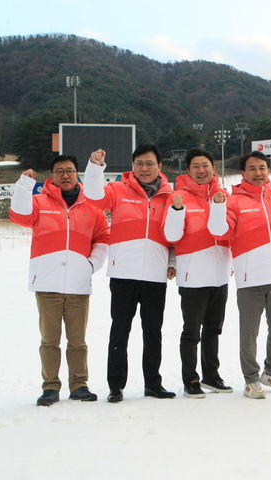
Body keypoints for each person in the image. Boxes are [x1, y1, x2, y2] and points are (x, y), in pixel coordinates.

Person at [10, 155, 109, 406]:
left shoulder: (92, 206)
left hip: (78, 283)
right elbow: (19, 215)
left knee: (77, 340)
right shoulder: (38, 202)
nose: (65, 175)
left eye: (70, 171)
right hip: (47, 283)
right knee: (49, 340)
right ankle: (50, 387)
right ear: (51, 176)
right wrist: (23, 185)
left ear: (78, 174)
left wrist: (90, 265)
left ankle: (79, 385)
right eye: (59, 171)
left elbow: (102, 239)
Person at [85, 145, 176, 402]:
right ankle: (116, 385)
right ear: (133, 165)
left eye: (149, 163)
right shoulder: (118, 190)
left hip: (155, 275)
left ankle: (153, 383)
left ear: (160, 166)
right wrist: (95, 167)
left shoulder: (170, 196)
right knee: (120, 330)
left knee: (153, 331)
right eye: (139, 164)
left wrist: (172, 261)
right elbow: (93, 196)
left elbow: (175, 234)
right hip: (123, 273)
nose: (144, 169)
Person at [208, 151, 271, 399]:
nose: (258, 173)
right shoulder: (234, 201)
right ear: (243, 173)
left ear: (268, 170)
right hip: (250, 276)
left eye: (262, 167)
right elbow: (220, 231)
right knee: (250, 331)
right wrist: (218, 207)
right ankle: (250, 377)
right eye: (252, 168)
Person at [162, 149, 233, 399]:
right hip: (193, 274)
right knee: (191, 331)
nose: (201, 171)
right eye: (196, 167)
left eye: (205, 166)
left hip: (220, 273)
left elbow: (230, 231)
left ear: (214, 168)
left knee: (214, 329)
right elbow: (171, 235)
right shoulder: (177, 196)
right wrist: (178, 211)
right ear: (188, 170)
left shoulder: (223, 195)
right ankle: (190, 378)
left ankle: (211, 375)